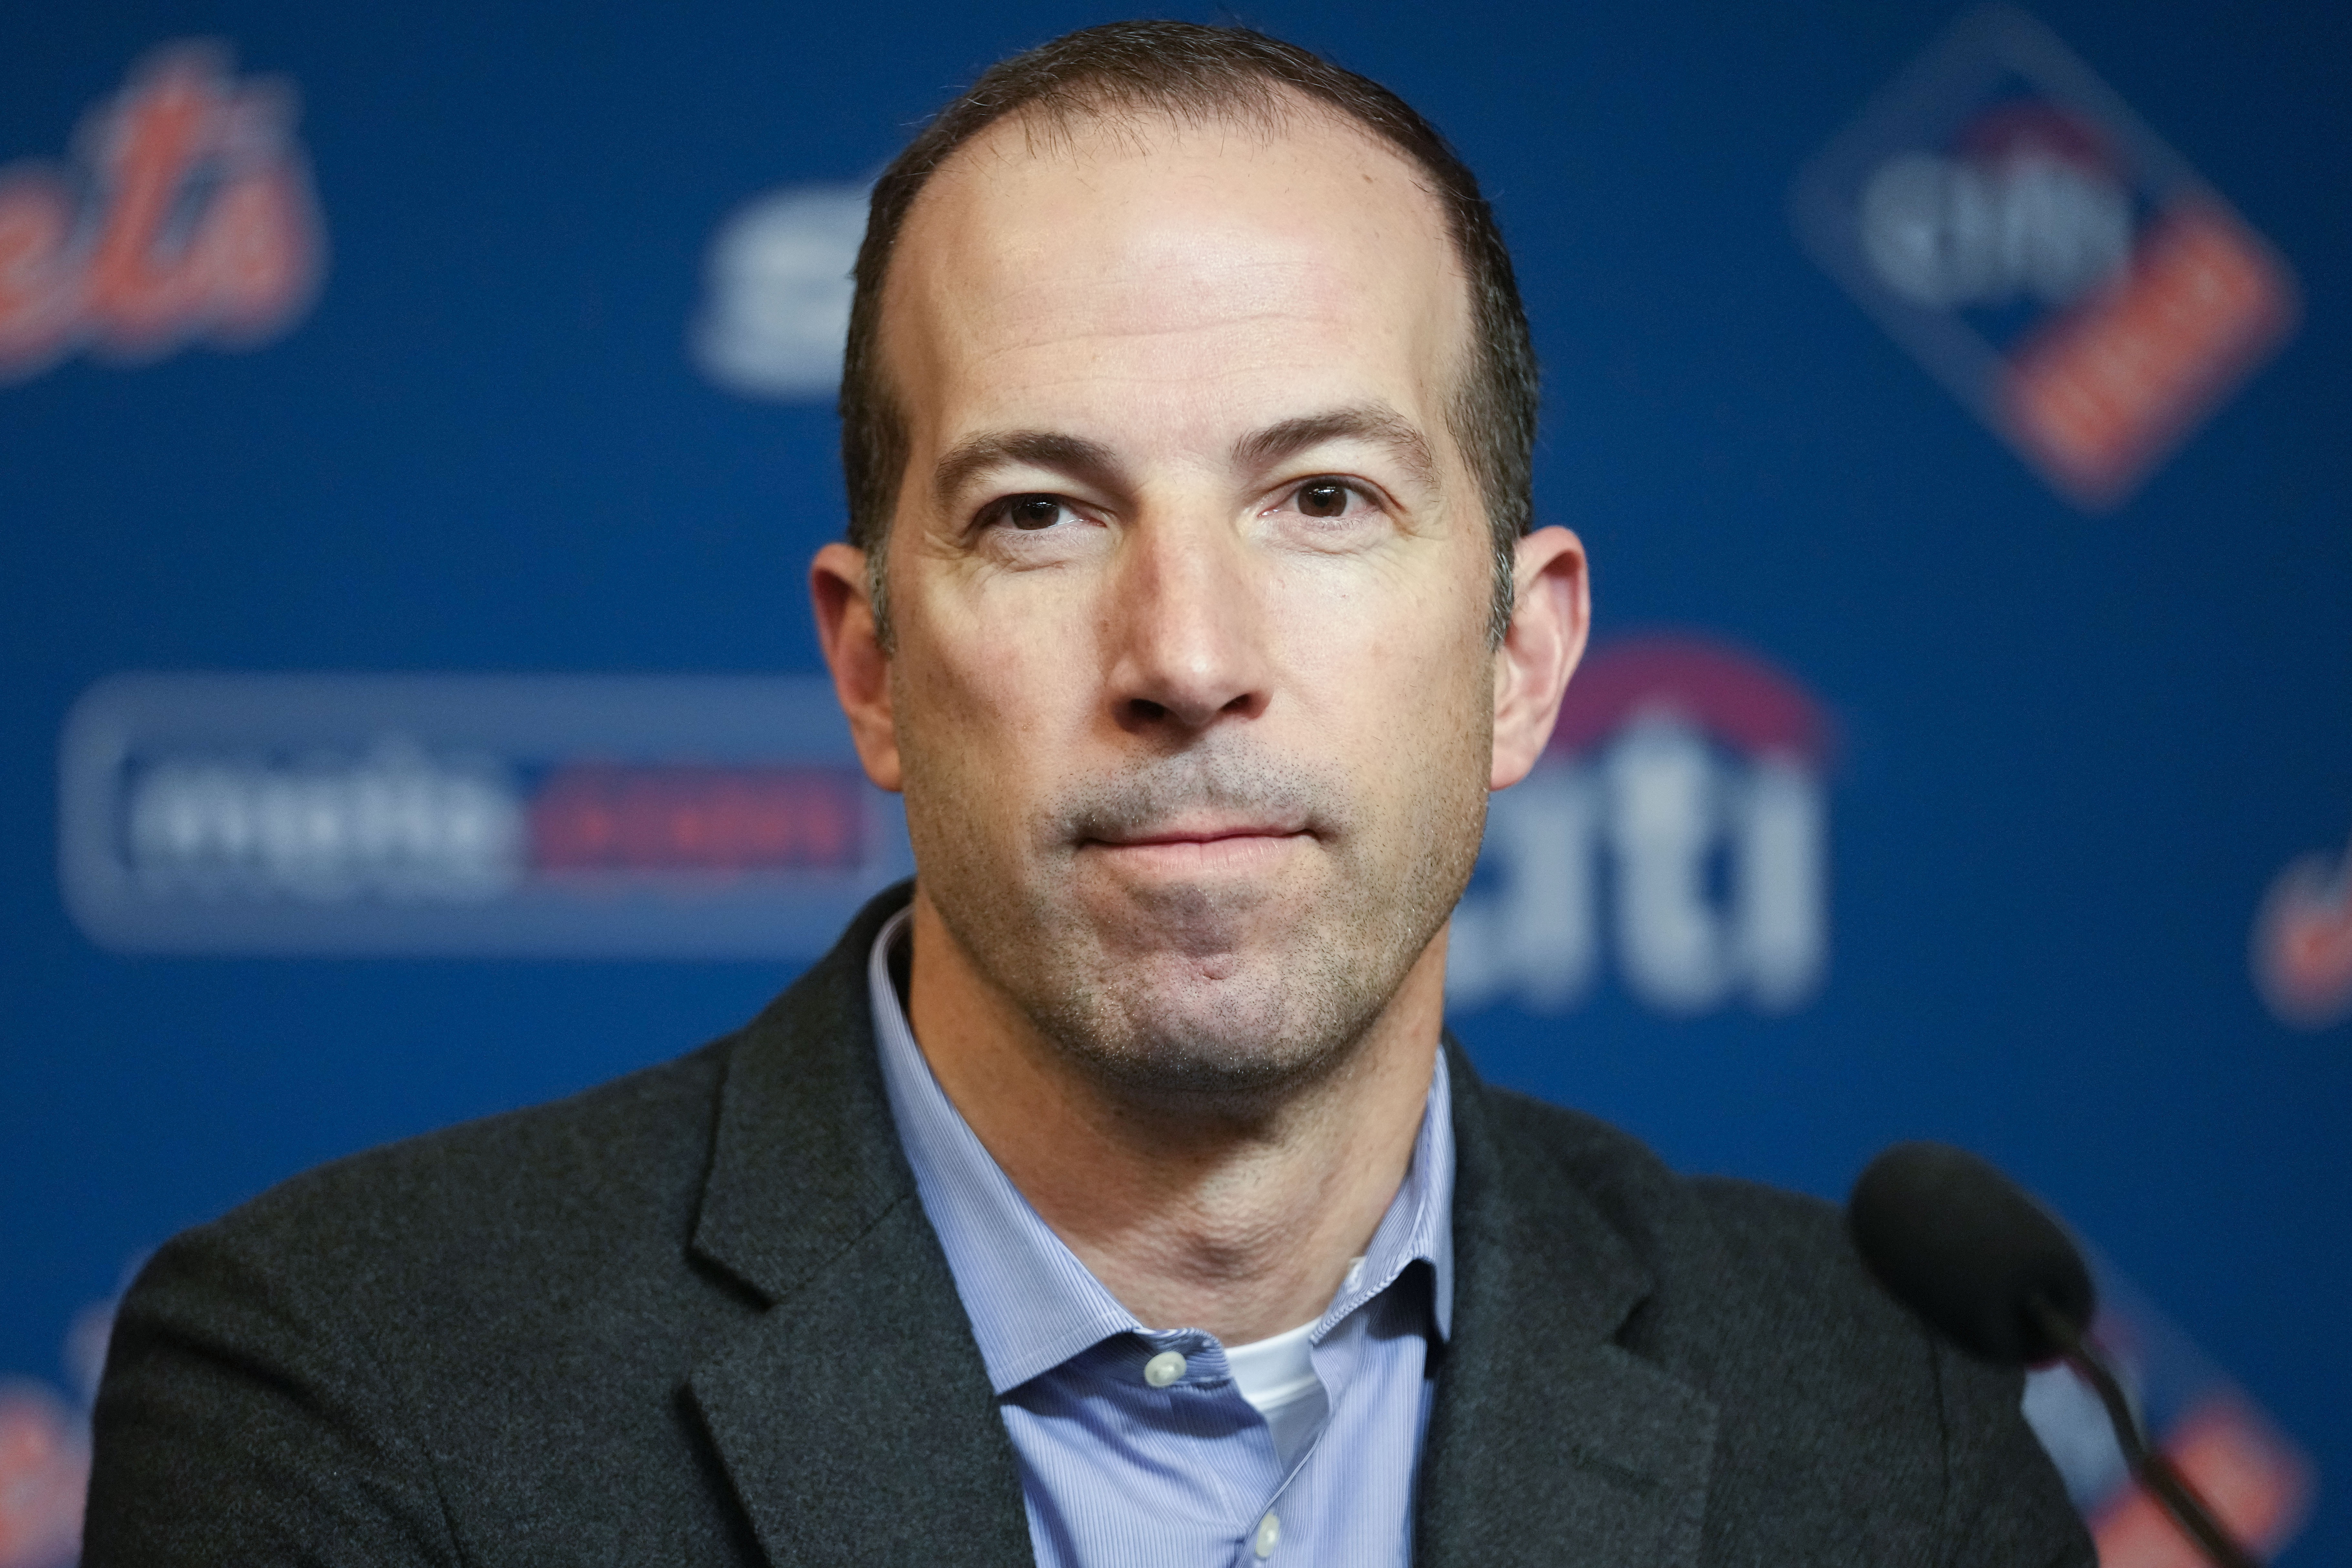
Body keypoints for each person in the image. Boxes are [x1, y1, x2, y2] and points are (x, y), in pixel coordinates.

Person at [86, 21, 2093, 1567]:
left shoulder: (1882, 1422)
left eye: (1324, 498)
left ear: (1523, 654)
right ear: (870, 664)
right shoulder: (355, 1382)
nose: (1187, 651)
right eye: (1042, 513)